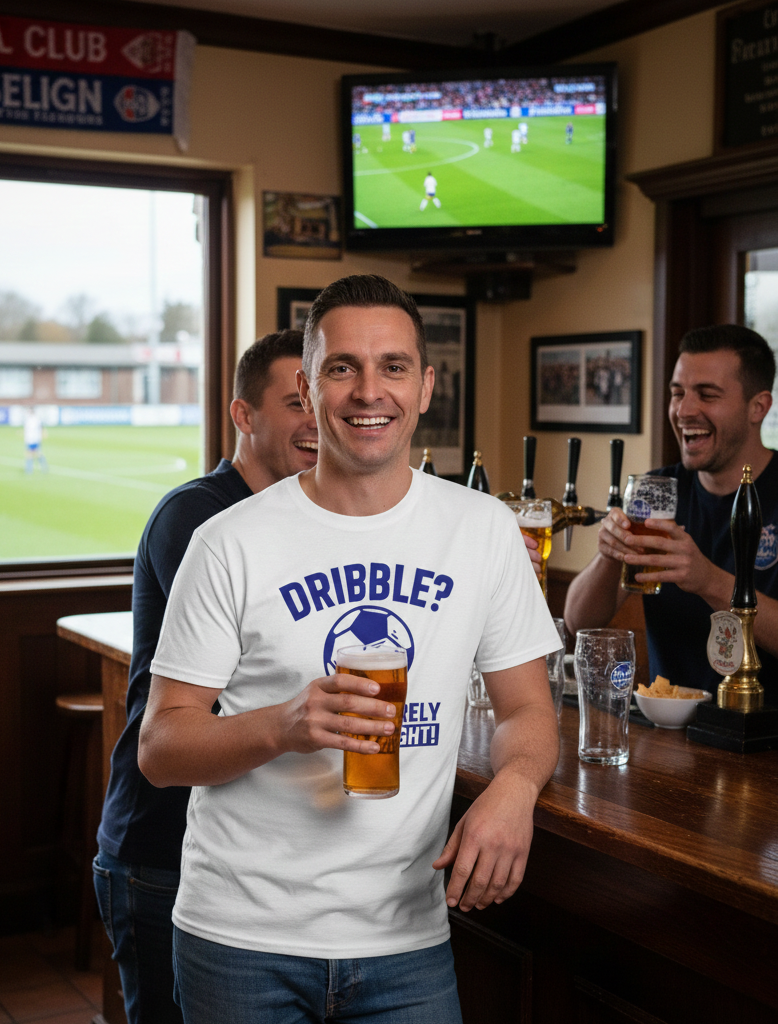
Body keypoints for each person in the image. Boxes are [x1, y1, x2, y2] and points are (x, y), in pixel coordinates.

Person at [139, 274, 561, 1024]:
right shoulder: (226, 541)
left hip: (407, 936)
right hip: (242, 937)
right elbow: (163, 746)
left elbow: (526, 707)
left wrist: (515, 787)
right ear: (307, 388)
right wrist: (283, 724)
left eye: (393, 367)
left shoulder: (482, 528)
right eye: (343, 369)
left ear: (426, 386)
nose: (371, 392)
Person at [94, 329, 318, 1024]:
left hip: (251, 854)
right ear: (243, 416)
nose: (314, 419)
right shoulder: (196, 516)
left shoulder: (304, 517)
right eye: (293, 403)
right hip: (162, 846)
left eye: (319, 398)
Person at [564, 324, 778, 697]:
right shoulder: (658, 492)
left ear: (758, 407)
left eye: (707, 395)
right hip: (670, 738)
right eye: (677, 393)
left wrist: (708, 581)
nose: (684, 410)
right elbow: (579, 620)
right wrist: (610, 555)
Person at [23, 408, 47, 473]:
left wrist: (43, 433)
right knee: (32, 454)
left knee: (34, 454)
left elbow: (41, 427)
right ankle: (30, 469)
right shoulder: (29, 419)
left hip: (33, 439)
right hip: (31, 439)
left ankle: (30, 470)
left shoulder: (34, 419)